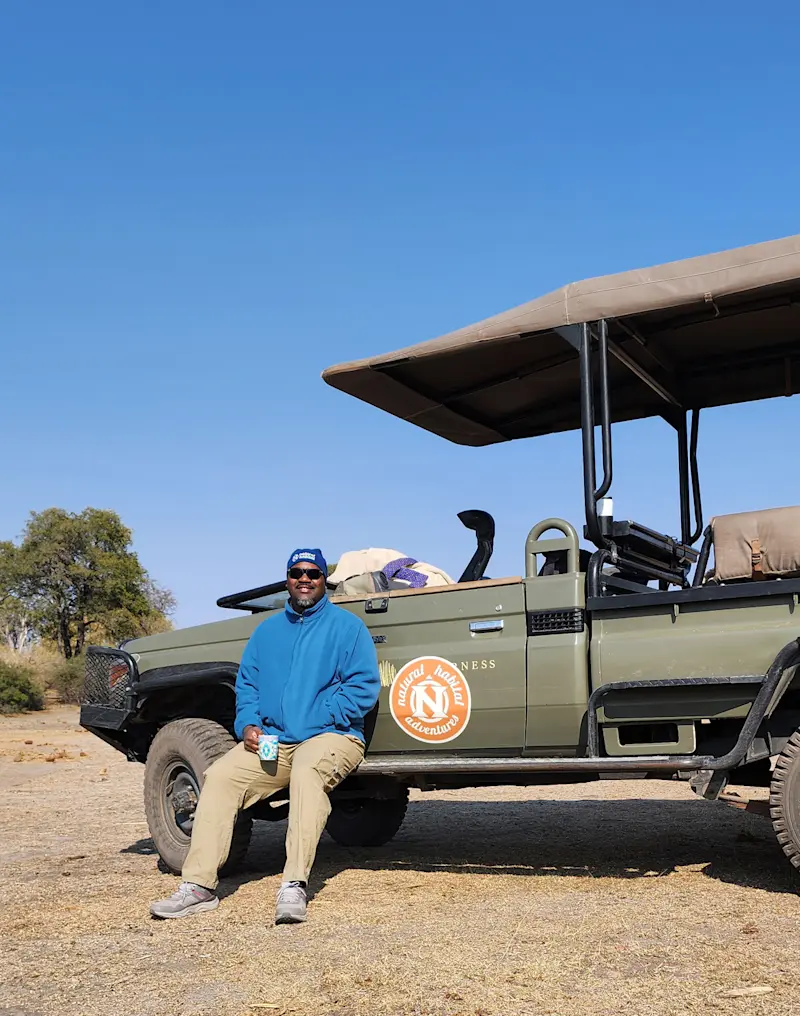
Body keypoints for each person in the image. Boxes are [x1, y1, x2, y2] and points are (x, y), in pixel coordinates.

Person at [149, 548, 380, 924]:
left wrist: (318, 718)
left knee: (307, 774)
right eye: (296, 573)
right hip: (275, 741)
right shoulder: (267, 630)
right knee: (221, 777)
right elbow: (248, 685)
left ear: (324, 580)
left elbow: (363, 688)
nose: (304, 579)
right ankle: (198, 887)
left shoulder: (347, 627)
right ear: (287, 579)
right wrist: (248, 726)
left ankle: (293, 885)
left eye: (313, 573)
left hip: (333, 737)